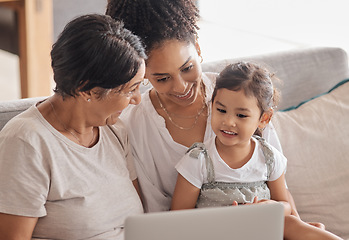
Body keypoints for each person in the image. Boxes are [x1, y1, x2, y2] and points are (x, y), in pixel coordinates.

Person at [0, 14, 146, 239]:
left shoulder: (115, 130)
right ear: (86, 89)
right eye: (130, 90)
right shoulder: (26, 142)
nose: (137, 99)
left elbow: (140, 223)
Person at [171, 62, 343, 240]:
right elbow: (178, 218)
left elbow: (285, 205)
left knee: (291, 224)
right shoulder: (199, 160)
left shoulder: (268, 157)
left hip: (263, 231)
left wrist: (270, 206)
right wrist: (224, 220)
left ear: (264, 119)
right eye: (221, 110)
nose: (228, 122)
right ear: (211, 106)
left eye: (241, 115)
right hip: (219, 233)